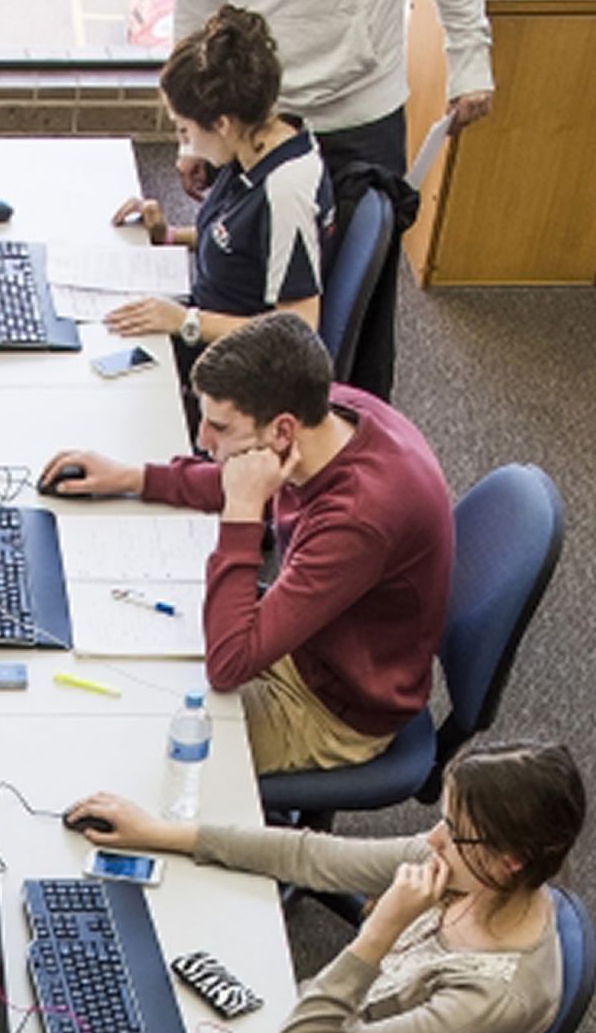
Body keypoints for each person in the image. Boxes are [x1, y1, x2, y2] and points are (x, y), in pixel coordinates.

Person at [41, 312, 453, 774]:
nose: (203, 440)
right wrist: (137, 477)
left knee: (138, 751)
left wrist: (242, 513)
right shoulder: (326, 411)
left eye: (220, 427)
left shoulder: (358, 519)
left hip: (332, 707)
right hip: (310, 639)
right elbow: (247, 471)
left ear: (282, 430)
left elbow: (228, 663)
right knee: (121, 676)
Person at [65, 737, 585, 1033]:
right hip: (320, 1018)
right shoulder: (469, 871)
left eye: (453, 830)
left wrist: (381, 930)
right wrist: (162, 834)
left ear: (510, 861)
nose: (432, 838)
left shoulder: (496, 999)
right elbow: (314, 857)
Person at [175, 0, 495, 401]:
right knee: (238, 269)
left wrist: (470, 58)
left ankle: (349, 452)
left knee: (355, 322)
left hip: (360, 108)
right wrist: (190, 128)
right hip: (250, 105)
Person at [106, 6, 333, 435]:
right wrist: (169, 234)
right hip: (200, 322)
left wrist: (185, 322)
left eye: (185, 132)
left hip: (232, 369)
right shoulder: (253, 142)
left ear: (223, 124)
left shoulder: (285, 193)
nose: (184, 147)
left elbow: (298, 328)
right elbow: (239, 241)